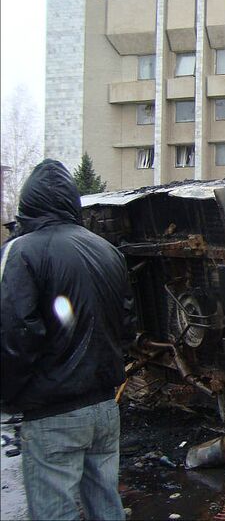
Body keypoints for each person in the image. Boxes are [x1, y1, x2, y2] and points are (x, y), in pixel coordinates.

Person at [0, 159, 136, 521]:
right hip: (105, 408)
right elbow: (127, 327)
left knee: (54, 512)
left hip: (52, 412)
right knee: (106, 505)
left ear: (28, 203)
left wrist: (10, 398)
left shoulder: (21, 251)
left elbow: (14, 335)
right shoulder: (108, 251)